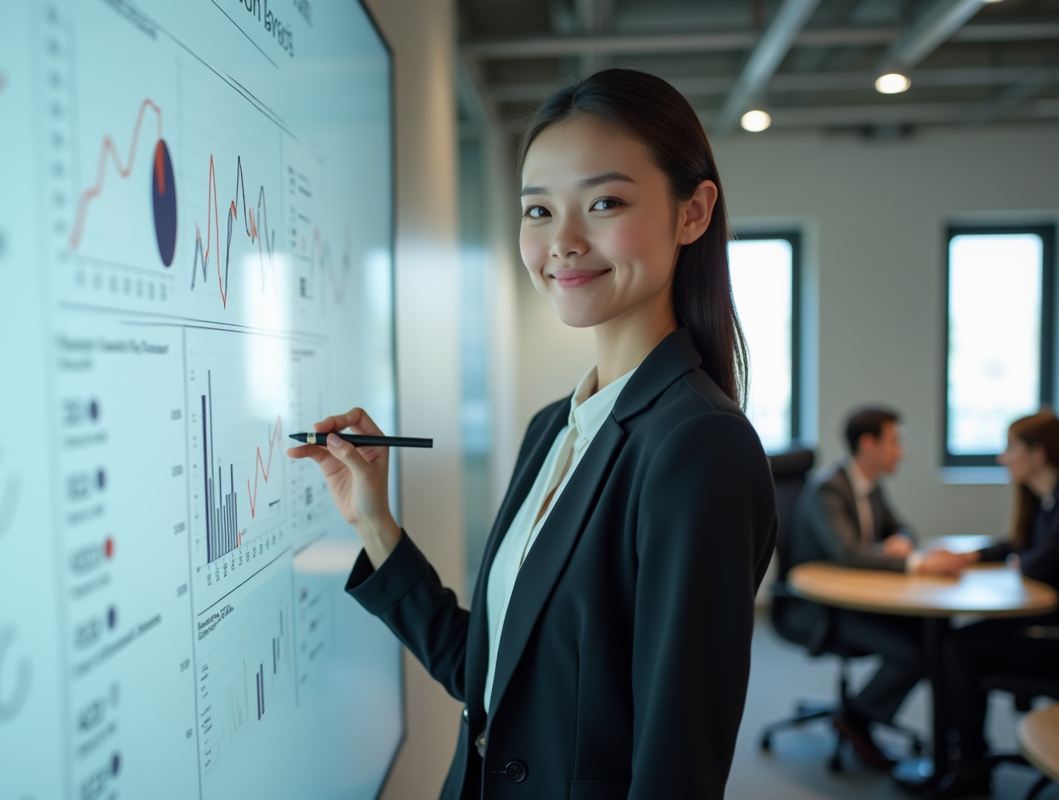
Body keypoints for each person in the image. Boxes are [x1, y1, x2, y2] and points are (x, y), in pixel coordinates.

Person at [287, 69, 777, 799]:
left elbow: (678, 769)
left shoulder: (698, 445)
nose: (564, 241)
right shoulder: (555, 427)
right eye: (538, 210)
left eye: (605, 202)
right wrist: (375, 524)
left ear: (692, 213)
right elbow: (491, 680)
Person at [910, 410, 1059, 800]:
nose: (1002, 458)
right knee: (960, 643)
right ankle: (967, 755)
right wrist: (972, 557)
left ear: (1038, 454)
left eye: (1011, 449)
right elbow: (1020, 546)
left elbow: (1037, 565)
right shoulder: (1053, 495)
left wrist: (1017, 561)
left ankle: (968, 764)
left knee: (958, 647)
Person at [791, 407, 966, 769]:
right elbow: (849, 552)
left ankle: (958, 740)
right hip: (818, 608)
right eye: (895, 441)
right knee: (914, 651)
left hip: (856, 601)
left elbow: (902, 528)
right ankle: (855, 718)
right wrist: (916, 562)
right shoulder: (829, 489)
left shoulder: (870, 486)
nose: (901, 451)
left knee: (936, 637)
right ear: (868, 444)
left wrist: (901, 540)